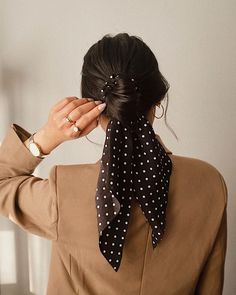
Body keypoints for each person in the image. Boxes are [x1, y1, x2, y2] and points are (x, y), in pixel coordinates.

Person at [0, 33, 227, 295]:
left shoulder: (64, 191)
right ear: (158, 101)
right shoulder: (210, 183)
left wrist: (48, 136)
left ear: (92, 109)